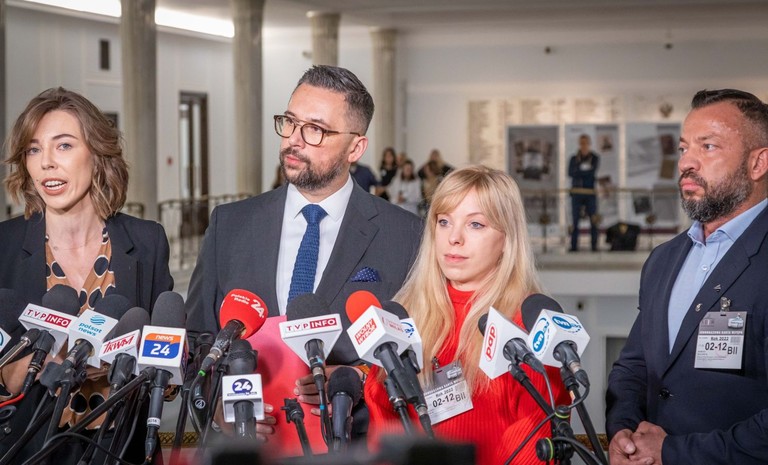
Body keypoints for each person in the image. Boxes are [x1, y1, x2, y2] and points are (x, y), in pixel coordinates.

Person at [185, 65, 422, 452]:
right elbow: (199, 338)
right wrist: (217, 409)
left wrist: (360, 379)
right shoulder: (230, 224)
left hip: (354, 449)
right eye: (290, 122)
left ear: (355, 148)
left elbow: (422, 349)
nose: (293, 140)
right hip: (249, 451)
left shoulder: (406, 235)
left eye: (315, 129)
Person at [0, 87, 173, 463]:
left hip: (122, 447)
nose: (46, 163)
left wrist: (165, 368)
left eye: (63, 145)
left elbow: (168, 357)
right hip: (28, 449)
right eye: (33, 150)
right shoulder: (4, 246)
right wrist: (15, 370)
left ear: (97, 154)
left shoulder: (147, 241)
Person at [365, 165, 569, 465]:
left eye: (475, 224)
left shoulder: (529, 324)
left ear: (507, 238)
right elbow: (383, 423)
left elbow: (535, 436)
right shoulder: (403, 315)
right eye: (444, 221)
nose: (454, 238)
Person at [606, 89, 768, 465]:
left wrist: (672, 452)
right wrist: (623, 433)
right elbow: (634, 365)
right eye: (683, 148)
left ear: (758, 163)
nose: (685, 163)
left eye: (707, 146)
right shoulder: (663, 259)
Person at [568, 134, 600, 251]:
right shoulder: (574, 158)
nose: (583, 145)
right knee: (575, 220)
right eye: (581, 143)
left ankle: (594, 245)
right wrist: (584, 171)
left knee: (593, 220)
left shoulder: (594, 158)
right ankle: (574, 246)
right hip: (577, 192)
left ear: (589, 144)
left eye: (585, 143)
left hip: (590, 193)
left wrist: (579, 171)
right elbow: (570, 173)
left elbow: (591, 173)